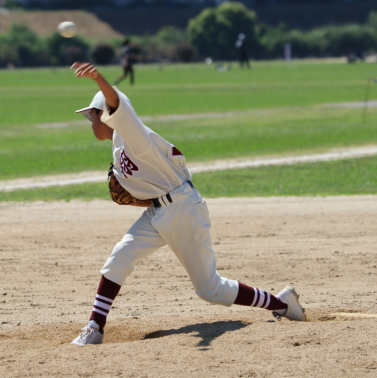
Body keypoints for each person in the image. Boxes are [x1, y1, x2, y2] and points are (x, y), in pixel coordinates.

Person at [69, 62, 306, 346]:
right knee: (119, 257)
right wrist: (137, 199)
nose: (90, 122)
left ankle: (280, 303)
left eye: (92, 115)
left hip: (183, 208)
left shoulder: (131, 133)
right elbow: (144, 194)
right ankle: (95, 326)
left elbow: (118, 101)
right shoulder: (118, 149)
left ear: (105, 114)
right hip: (159, 211)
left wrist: (98, 78)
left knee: (209, 289)